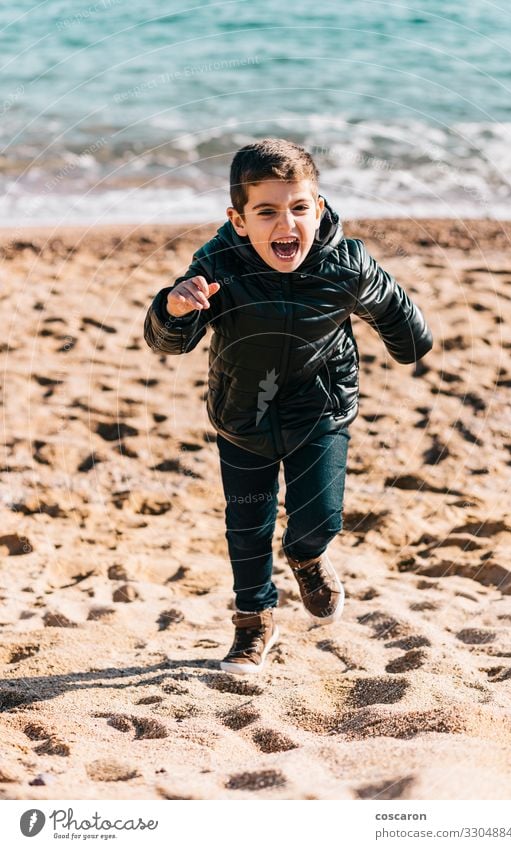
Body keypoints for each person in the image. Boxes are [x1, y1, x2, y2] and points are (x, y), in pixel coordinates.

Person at [144, 137, 433, 675]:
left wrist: (395, 323)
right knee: (247, 523)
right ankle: (254, 623)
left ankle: (306, 556)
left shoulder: (345, 265)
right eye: (268, 212)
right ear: (239, 219)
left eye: (300, 208)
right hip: (241, 413)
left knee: (318, 516)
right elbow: (168, 342)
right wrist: (174, 307)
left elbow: (408, 332)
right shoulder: (219, 263)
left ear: (318, 208)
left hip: (320, 408)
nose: (287, 224)